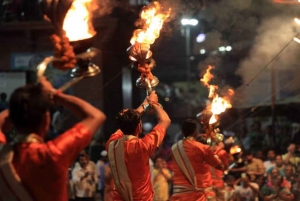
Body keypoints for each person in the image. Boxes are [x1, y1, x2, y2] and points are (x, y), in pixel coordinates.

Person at [0, 76, 106, 201]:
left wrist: (19, 106)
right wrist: (54, 93)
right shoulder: (54, 153)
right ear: (46, 120)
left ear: (11, 119)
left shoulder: (3, 153)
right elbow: (96, 116)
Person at [105, 90, 171, 201]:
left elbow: (127, 121)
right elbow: (165, 120)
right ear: (139, 127)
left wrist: (144, 104)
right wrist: (153, 103)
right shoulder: (143, 146)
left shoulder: (111, 144)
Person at [170, 119, 224, 201]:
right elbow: (220, 166)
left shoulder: (174, 148)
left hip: (178, 196)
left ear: (182, 132)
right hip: (196, 196)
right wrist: (215, 155)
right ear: (196, 132)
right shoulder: (202, 148)